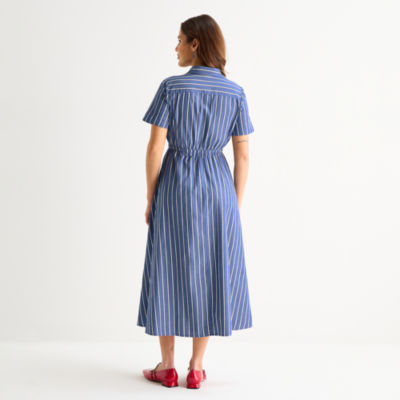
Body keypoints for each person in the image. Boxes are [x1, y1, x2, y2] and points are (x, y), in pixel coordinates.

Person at [137, 14, 255, 389]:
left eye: (179, 40)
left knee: (167, 266)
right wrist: (234, 205)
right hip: (219, 189)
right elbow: (243, 157)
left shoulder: (171, 88)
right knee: (210, 268)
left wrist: (152, 195)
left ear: (195, 44)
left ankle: (167, 366)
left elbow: (155, 148)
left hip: (175, 185)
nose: (175, 48)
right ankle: (197, 367)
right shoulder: (235, 93)